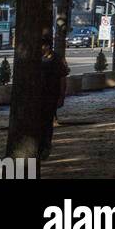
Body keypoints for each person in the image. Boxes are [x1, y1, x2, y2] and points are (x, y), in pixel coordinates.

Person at [39, 30, 69, 159]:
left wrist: (61, 96)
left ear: (47, 46)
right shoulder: (35, 59)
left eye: (43, 45)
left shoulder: (56, 59)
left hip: (51, 94)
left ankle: (45, 146)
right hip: (37, 96)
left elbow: (63, 78)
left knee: (47, 122)